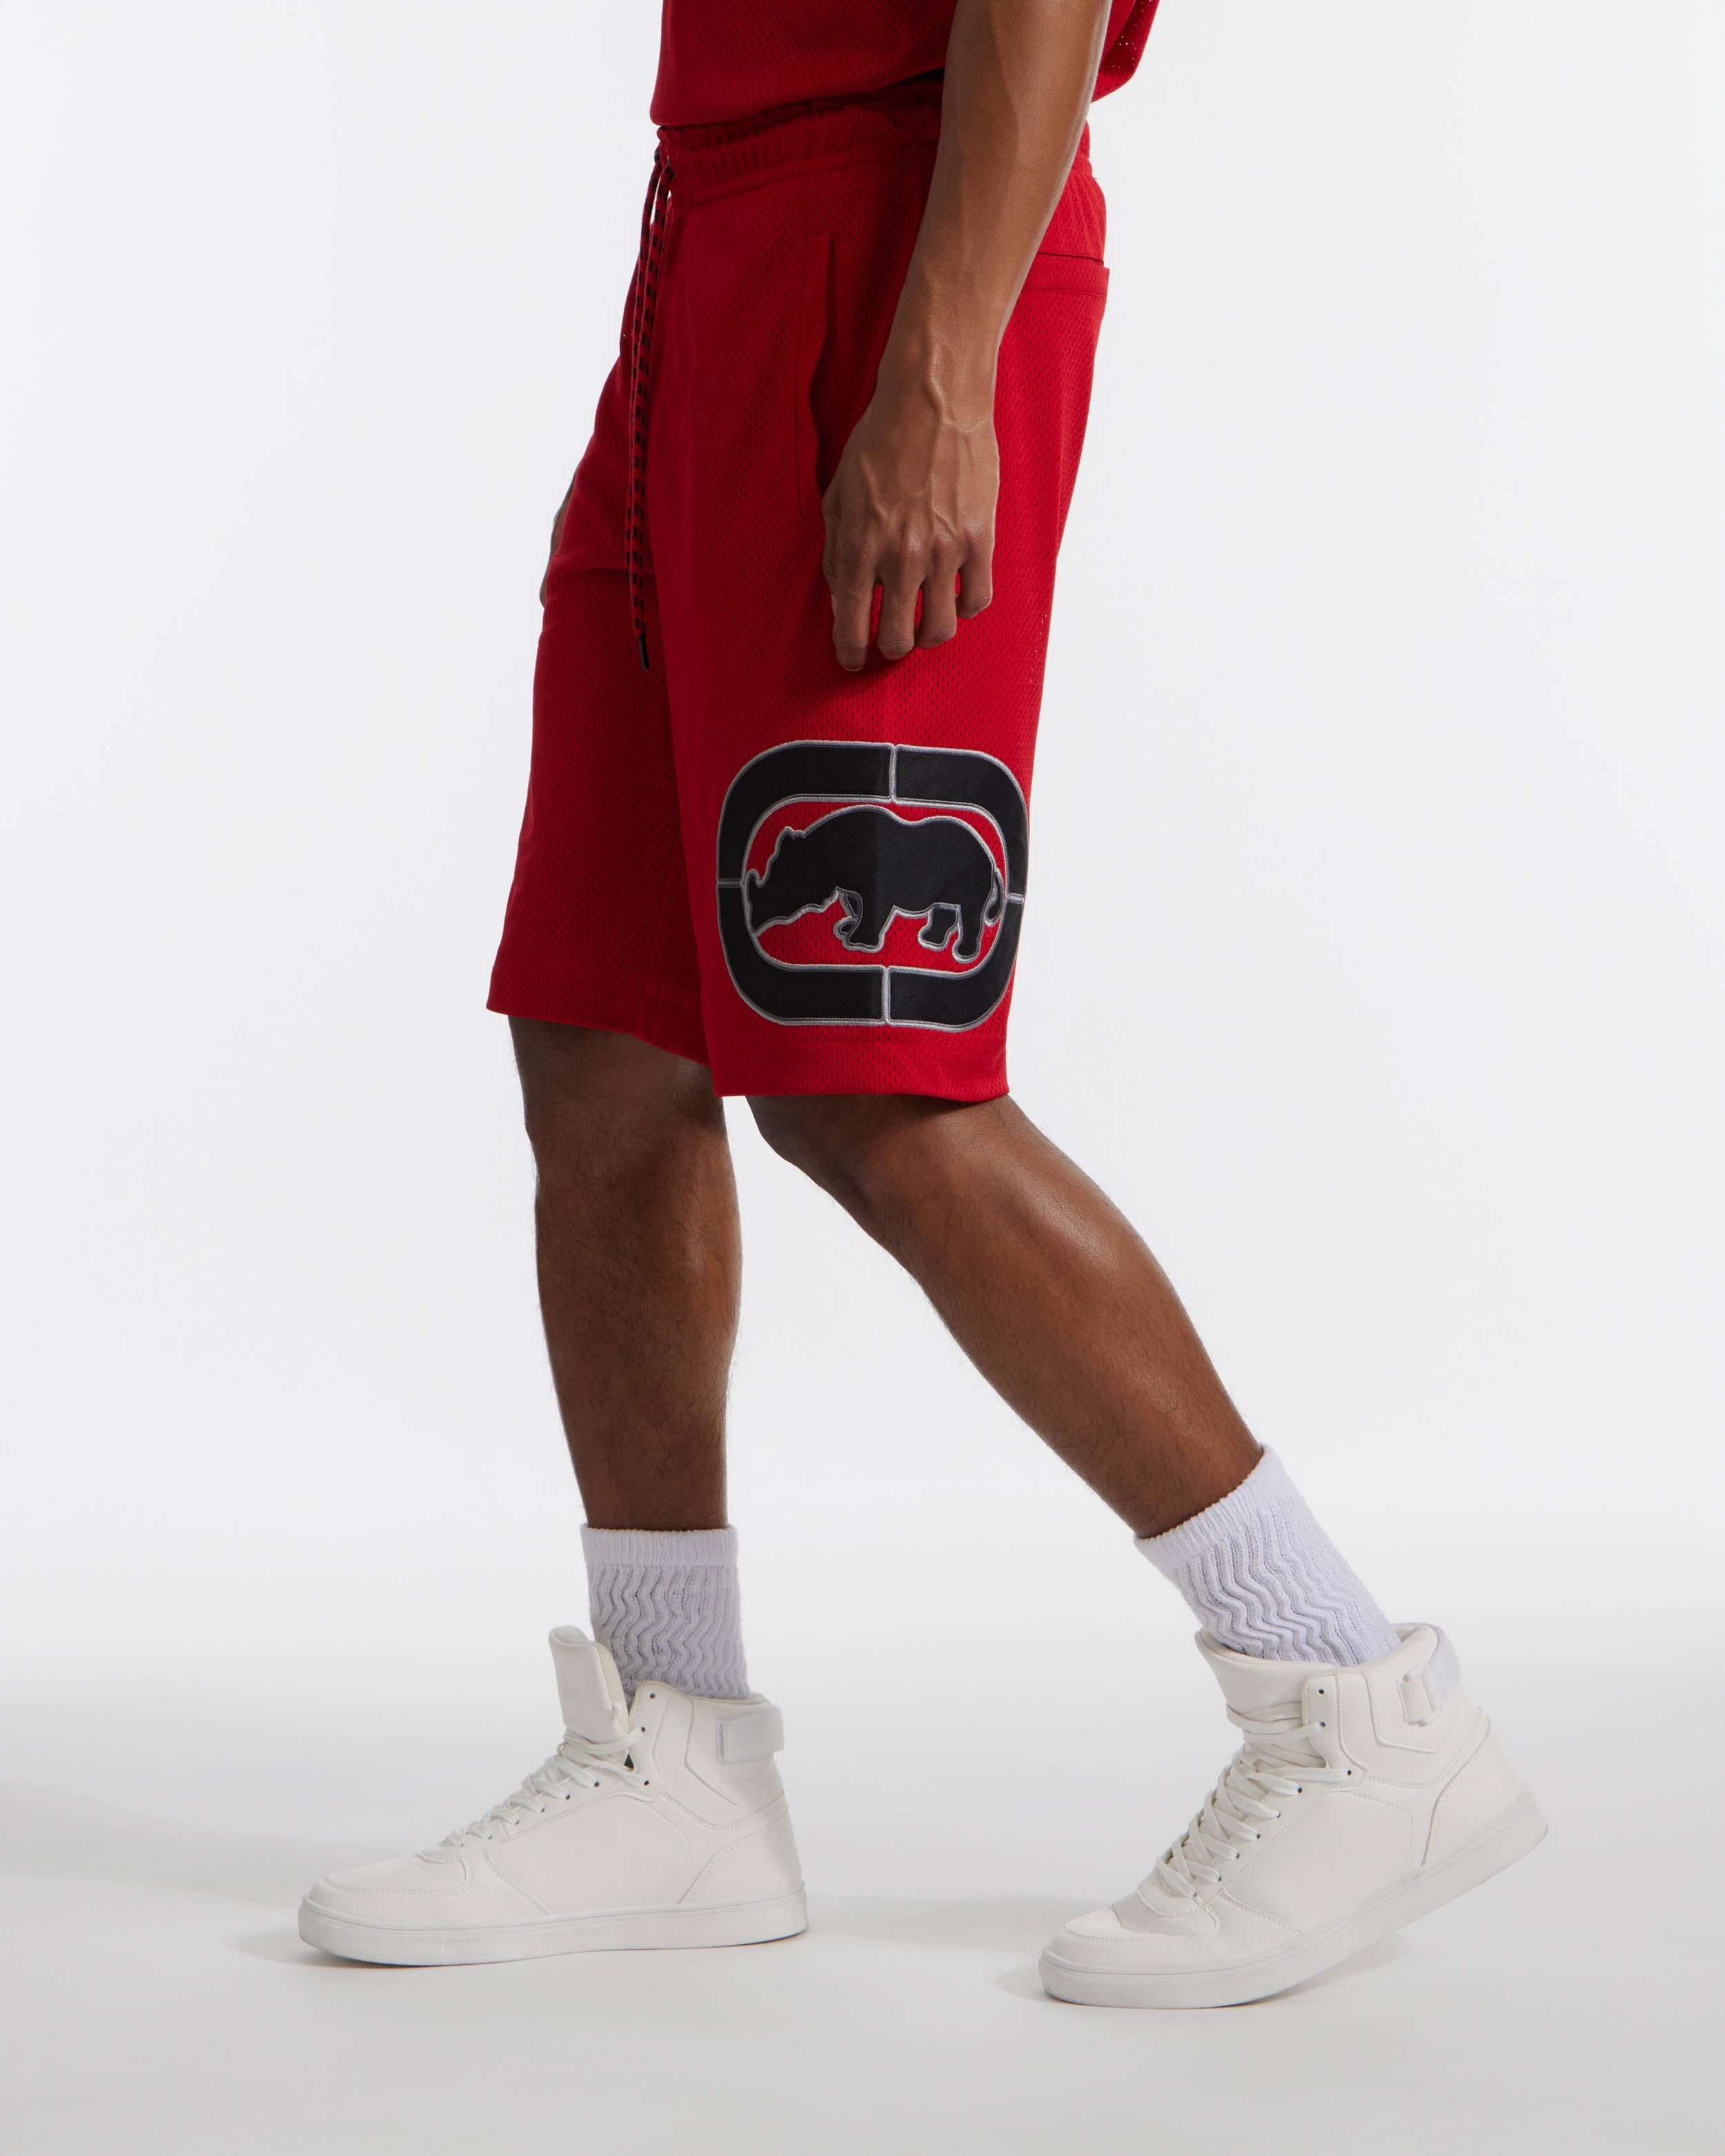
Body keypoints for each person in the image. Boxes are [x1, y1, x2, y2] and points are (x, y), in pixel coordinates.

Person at [297, 0, 1543, 2004]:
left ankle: (1352, 1703)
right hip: (707, 253)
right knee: (607, 1032)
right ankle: (676, 1753)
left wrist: (942, 360)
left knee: (869, 1067)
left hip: (897, 255)